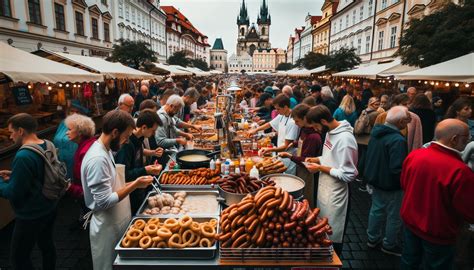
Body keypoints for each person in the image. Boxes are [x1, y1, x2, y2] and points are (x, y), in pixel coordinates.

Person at [81, 110, 153, 270]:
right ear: (115, 132)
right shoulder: (98, 159)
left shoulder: (106, 150)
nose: (127, 141)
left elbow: (113, 186)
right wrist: (134, 185)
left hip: (117, 221)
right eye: (126, 136)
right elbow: (103, 201)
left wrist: (136, 182)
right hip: (107, 227)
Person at [400, 119, 474, 270]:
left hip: (411, 223)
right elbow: (469, 210)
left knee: (409, 261)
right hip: (439, 233)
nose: (468, 142)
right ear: (454, 139)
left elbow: (404, 184)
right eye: (466, 138)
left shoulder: (415, 155)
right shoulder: (460, 171)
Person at [0, 113, 59, 270]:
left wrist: (1, 183)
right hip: (50, 206)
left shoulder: (23, 155)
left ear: (20, 131)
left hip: (31, 214)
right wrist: (15, 175)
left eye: (11, 132)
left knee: (19, 258)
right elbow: (39, 174)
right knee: (47, 246)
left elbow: (13, 193)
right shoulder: (47, 144)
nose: (10, 137)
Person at [304, 105, 358, 255]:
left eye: (315, 126)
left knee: (333, 236)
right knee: (322, 230)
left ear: (323, 121)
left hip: (336, 195)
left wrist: (320, 168)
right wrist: (318, 159)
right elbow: (331, 159)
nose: (315, 129)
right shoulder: (329, 132)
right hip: (325, 189)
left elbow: (349, 174)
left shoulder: (346, 140)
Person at [364, 106, 411, 256]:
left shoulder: (376, 133)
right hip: (391, 184)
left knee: (376, 210)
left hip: (376, 180)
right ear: (401, 121)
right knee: (394, 216)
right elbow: (397, 167)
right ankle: (389, 245)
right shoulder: (398, 139)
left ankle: (372, 239)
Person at [115, 110, 163, 214]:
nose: (154, 134)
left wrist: (152, 155)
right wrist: (145, 169)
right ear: (144, 127)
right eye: (153, 131)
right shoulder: (127, 145)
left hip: (139, 190)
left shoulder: (139, 139)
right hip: (130, 195)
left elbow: (138, 156)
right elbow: (123, 175)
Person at [278, 104, 322, 208]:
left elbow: (306, 160)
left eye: (297, 121)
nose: (296, 124)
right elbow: (302, 142)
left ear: (305, 119)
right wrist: (294, 143)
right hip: (300, 167)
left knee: (306, 197)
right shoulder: (304, 130)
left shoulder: (313, 137)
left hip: (308, 171)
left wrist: (289, 156)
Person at [248, 94, 300, 175]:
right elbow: (269, 124)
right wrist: (255, 130)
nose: (276, 111)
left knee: (286, 180)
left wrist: (269, 149)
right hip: (281, 154)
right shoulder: (281, 115)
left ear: (285, 107)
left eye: (278, 109)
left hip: (288, 157)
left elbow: (286, 145)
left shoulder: (292, 122)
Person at [64, 114, 97, 228]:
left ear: (80, 132)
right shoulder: (84, 145)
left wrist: (70, 188)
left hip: (88, 200)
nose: (66, 133)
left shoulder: (85, 151)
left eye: (69, 129)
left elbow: (89, 186)